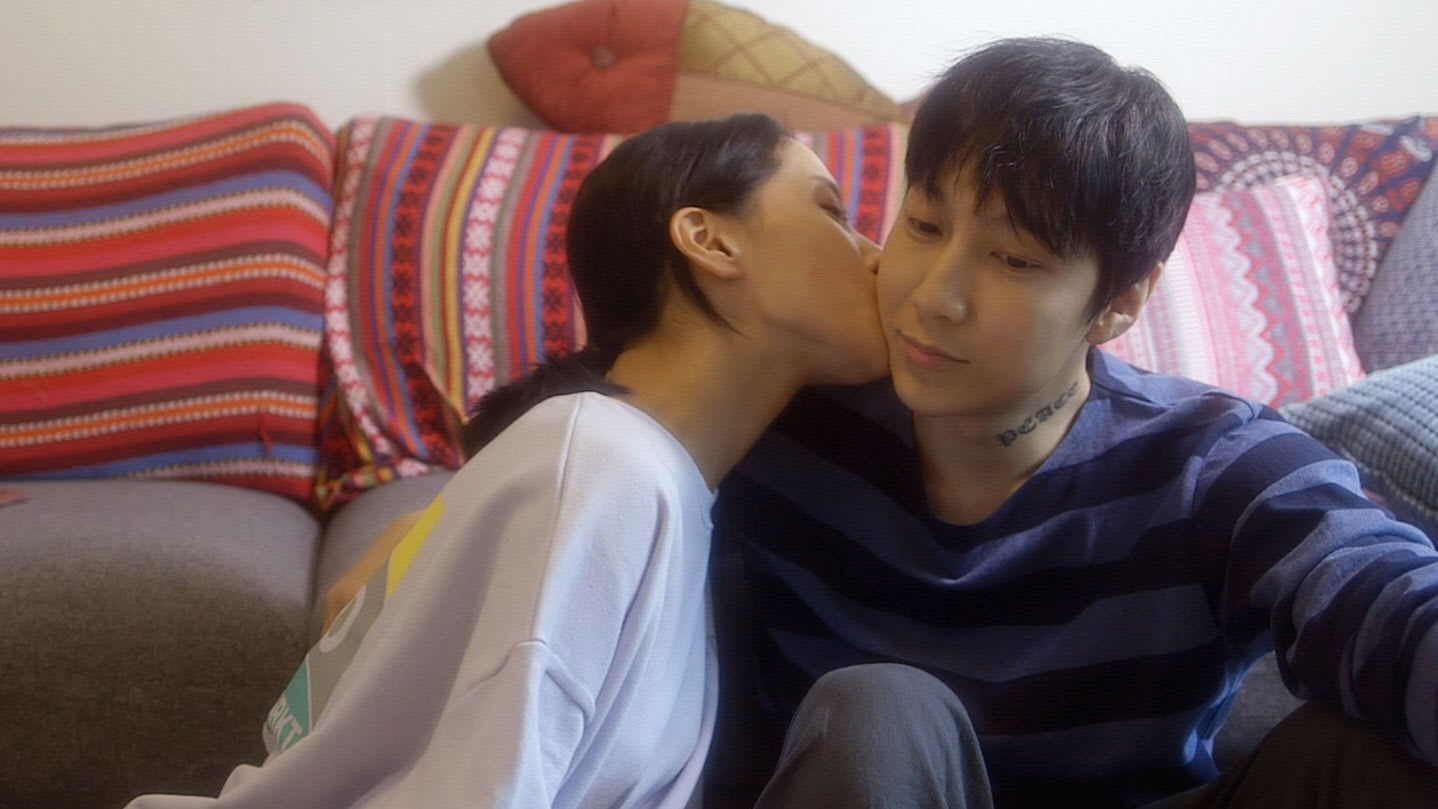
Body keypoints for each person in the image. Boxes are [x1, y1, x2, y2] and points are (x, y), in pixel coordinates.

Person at [708, 38, 1438, 809]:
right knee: (878, 708)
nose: (934, 296)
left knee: (1369, 758)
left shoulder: (1212, 464)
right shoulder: (785, 418)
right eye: (923, 225)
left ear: (1122, 300)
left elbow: (1382, 596)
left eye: (1014, 260)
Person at [125, 112, 888, 809]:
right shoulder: (604, 465)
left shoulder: (655, 487)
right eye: (831, 210)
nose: (876, 256)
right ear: (711, 240)